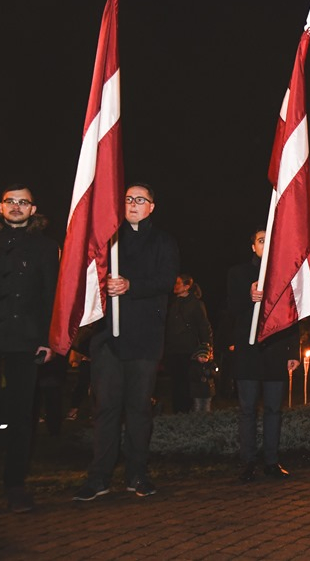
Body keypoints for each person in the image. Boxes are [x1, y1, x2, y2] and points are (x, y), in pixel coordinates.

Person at [75, 184, 180, 501]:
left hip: (144, 339)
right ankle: (99, 477)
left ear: (151, 206)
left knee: (138, 411)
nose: (133, 204)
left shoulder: (163, 241)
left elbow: (166, 280)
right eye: (127, 199)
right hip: (108, 340)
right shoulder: (107, 241)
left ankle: (137, 474)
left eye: (140, 200)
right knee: (106, 409)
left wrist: (130, 285)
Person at [0, 184, 59, 513]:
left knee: (20, 415)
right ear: (1, 206)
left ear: (33, 210)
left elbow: (50, 296)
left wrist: (48, 338)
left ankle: (15, 484)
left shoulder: (45, 248)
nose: (16, 206)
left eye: (23, 203)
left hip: (25, 338)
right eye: (11, 201)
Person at [228, 228, 299, 482]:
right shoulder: (238, 273)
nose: (265, 244)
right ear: (253, 247)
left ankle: (271, 461)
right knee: (247, 409)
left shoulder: (284, 275)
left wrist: (293, 350)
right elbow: (231, 309)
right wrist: (249, 297)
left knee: (273, 409)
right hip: (248, 351)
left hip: (275, 350)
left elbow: (293, 315)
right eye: (260, 240)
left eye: (270, 241)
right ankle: (248, 462)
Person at [164, 274, 213, 413]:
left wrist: (207, 347)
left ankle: (188, 414)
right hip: (173, 350)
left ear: (187, 286)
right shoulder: (171, 303)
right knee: (175, 383)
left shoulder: (196, 304)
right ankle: (177, 413)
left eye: (179, 283)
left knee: (188, 384)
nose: (175, 286)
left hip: (189, 350)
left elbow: (204, 326)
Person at [189, 343, 215, 412]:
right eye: (201, 357)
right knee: (198, 406)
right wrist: (199, 378)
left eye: (205, 357)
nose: (203, 359)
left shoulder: (211, 365)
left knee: (207, 407)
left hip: (208, 391)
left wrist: (210, 372)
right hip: (197, 391)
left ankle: (206, 420)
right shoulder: (194, 365)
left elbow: (216, 374)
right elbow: (191, 376)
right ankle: (197, 420)